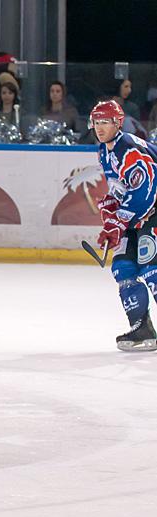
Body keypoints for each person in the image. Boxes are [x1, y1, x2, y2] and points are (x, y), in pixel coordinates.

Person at [90, 100, 157, 351]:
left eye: (105, 122)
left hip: (153, 210)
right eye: (96, 122)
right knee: (123, 268)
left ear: (118, 123)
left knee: (152, 268)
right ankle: (142, 328)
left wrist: (119, 220)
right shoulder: (105, 151)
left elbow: (146, 189)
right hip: (138, 214)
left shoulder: (128, 148)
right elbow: (122, 187)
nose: (100, 127)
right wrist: (111, 208)